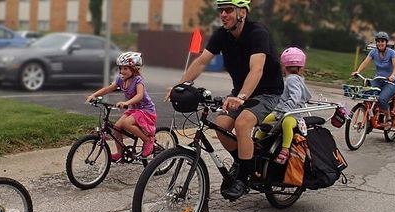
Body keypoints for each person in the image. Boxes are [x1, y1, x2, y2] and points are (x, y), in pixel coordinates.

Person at [167, 0, 284, 200]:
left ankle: (244, 178)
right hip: (239, 92)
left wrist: (241, 97)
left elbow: (257, 69)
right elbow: (202, 61)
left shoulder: (257, 33)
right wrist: (180, 86)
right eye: (221, 10)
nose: (223, 14)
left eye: (228, 10)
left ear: (243, 13)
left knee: (242, 123)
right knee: (220, 125)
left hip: (267, 92)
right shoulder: (222, 35)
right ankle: (242, 162)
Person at [86, 51, 157, 160]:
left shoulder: (138, 80)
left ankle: (148, 141)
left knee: (126, 123)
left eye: (125, 68)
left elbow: (139, 95)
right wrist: (94, 95)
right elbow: (108, 89)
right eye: (121, 68)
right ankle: (120, 153)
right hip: (133, 109)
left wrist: (126, 103)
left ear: (134, 69)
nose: (122, 71)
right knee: (116, 128)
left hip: (145, 110)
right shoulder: (120, 79)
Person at [255, 47, 312, 164]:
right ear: (301, 68)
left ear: (283, 66)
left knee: (286, 123)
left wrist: (286, 109)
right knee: (266, 120)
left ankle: (284, 149)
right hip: (281, 112)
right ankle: (257, 142)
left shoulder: (292, 80)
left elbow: (295, 97)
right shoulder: (293, 79)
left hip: (293, 114)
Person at [351, 31, 395, 130]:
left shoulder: (391, 53)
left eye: (382, 41)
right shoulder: (373, 52)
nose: (380, 43)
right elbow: (365, 62)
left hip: (390, 82)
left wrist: (393, 75)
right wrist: (357, 71)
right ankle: (369, 118)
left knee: (382, 99)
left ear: (386, 43)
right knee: (366, 94)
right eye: (378, 41)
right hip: (378, 79)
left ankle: (388, 118)